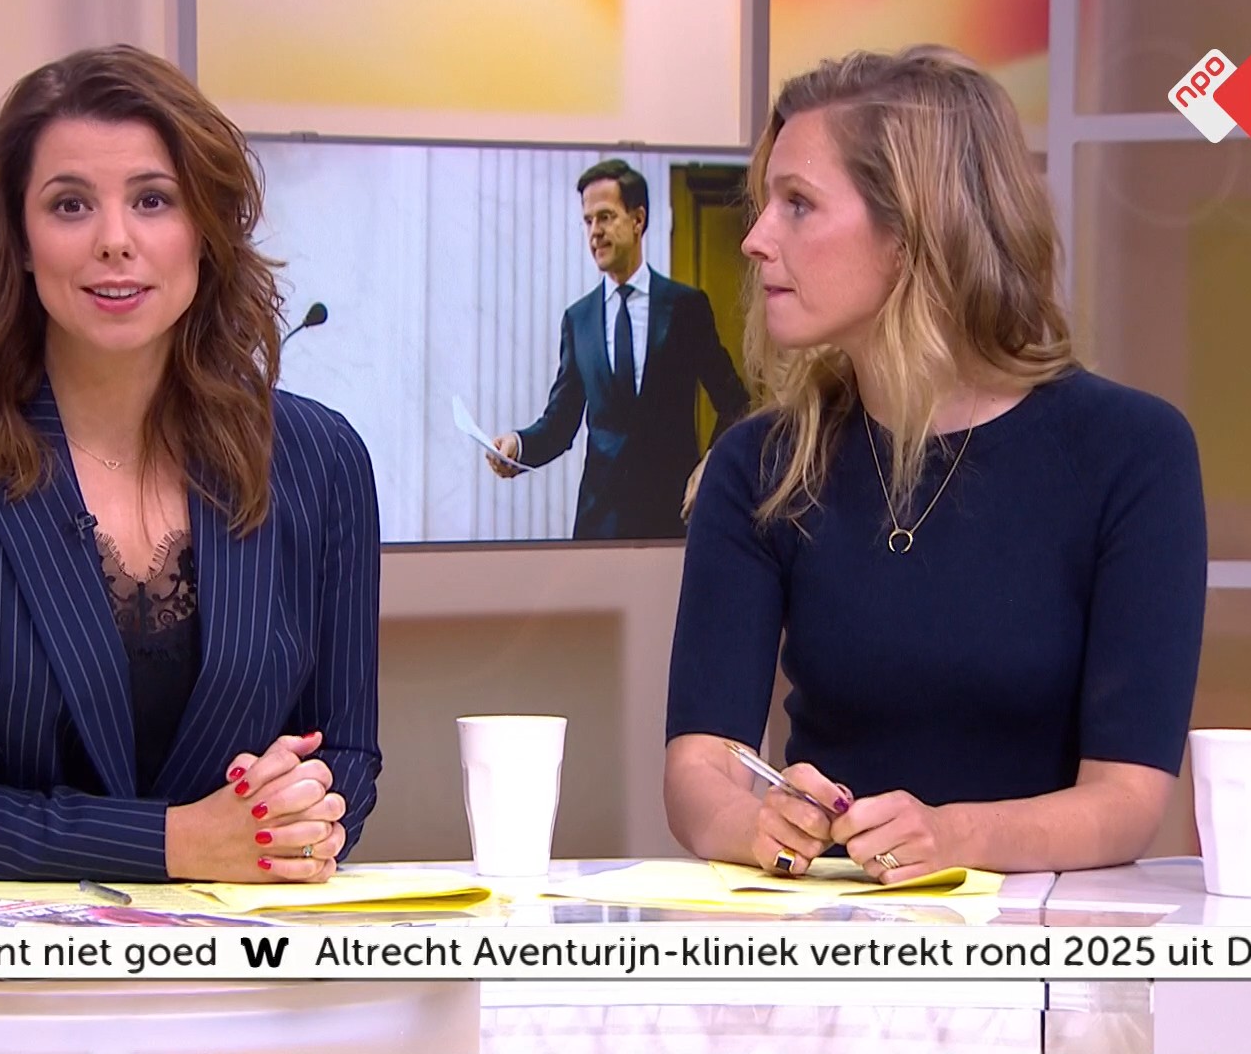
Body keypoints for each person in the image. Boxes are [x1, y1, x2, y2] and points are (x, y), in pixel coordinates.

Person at [0, 44, 380, 885]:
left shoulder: (321, 460)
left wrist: (298, 814)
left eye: (153, 200)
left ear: (205, 229)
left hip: (224, 950)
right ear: (20, 238)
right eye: (71, 204)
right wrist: (176, 844)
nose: (116, 241)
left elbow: (346, 753)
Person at [663, 46, 1207, 881]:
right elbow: (700, 769)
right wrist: (759, 823)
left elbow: (1127, 798)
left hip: (1041, 934)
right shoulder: (758, 464)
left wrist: (951, 838)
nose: (756, 239)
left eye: (798, 204)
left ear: (914, 230)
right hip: (830, 923)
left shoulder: (1133, 452)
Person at [487, 159, 749, 540]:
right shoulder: (578, 320)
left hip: (673, 521)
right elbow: (560, 424)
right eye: (588, 221)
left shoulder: (685, 307)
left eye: (606, 217)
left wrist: (711, 462)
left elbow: (736, 403)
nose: (595, 231)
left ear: (638, 219)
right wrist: (518, 444)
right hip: (599, 528)